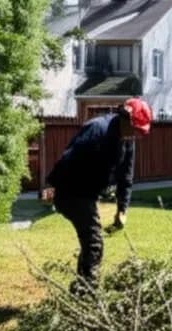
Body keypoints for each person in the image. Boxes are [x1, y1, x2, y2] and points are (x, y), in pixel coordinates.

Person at [46, 97, 152, 288]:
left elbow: (125, 177)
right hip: (72, 191)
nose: (135, 134)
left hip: (88, 194)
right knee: (94, 243)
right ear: (124, 117)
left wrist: (123, 209)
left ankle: (82, 288)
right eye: (135, 128)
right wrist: (53, 187)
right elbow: (68, 159)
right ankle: (87, 292)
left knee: (91, 243)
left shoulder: (128, 140)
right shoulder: (97, 129)